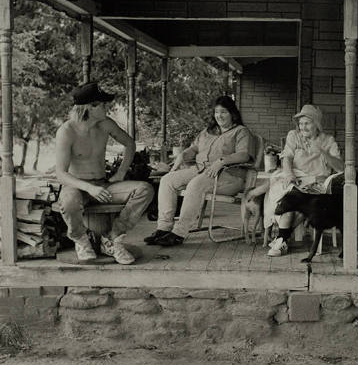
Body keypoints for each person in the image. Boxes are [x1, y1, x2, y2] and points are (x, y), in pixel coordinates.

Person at [55, 82, 154, 264]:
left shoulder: (106, 124)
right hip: (76, 186)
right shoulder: (66, 131)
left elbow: (130, 144)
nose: (107, 108)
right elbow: (60, 174)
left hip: (103, 183)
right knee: (68, 202)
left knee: (145, 190)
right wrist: (89, 188)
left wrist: (121, 172)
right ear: (90, 107)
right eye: (103, 104)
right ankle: (81, 240)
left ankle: (112, 239)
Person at [144, 96, 253, 247]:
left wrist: (221, 162)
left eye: (223, 112)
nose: (219, 116)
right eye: (216, 112)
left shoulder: (241, 132)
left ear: (232, 113)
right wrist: (183, 155)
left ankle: (178, 233)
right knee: (167, 180)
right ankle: (163, 228)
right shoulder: (207, 132)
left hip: (230, 176)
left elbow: (243, 154)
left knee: (195, 184)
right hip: (201, 170)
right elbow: (194, 148)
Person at [251, 104, 343, 257]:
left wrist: (323, 151)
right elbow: (287, 157)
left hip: (316, 182)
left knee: (297, 200)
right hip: (294, 177)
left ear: (316, 124)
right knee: (289, 195)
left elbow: (340, 167)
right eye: (300, 123)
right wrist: (288, 173)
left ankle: (280, 239)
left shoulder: (328, 140)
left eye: (307, 123)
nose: (302, 127)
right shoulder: (293, 135)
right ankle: (282, 239)